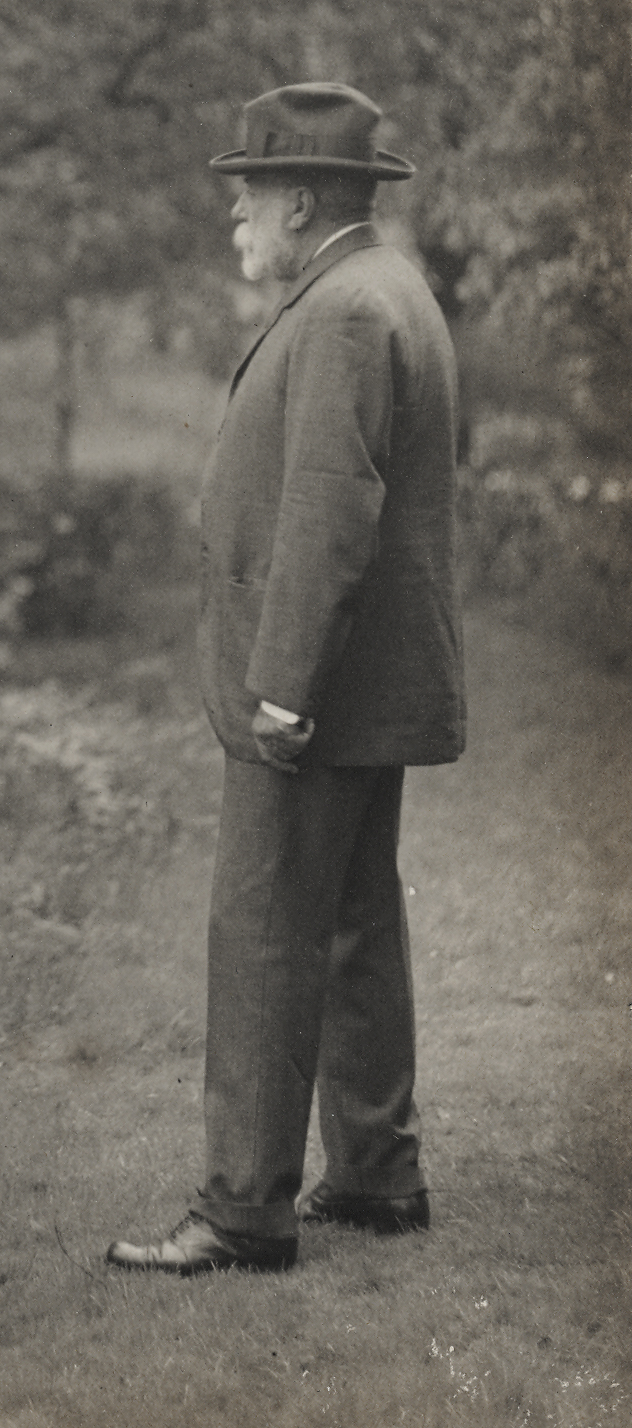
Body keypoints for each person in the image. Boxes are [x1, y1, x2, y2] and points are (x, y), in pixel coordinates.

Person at [107, 81, 465, 1275]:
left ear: (301, 201)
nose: (235, 223)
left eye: (246, 200)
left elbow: (326, 512)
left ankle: (241, 1208)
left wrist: (283, 686)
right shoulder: (378, 288)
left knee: (262, 930)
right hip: (364, 688)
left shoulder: (347, 310)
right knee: (357, 921)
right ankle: (375, 1175)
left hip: (319, 690)